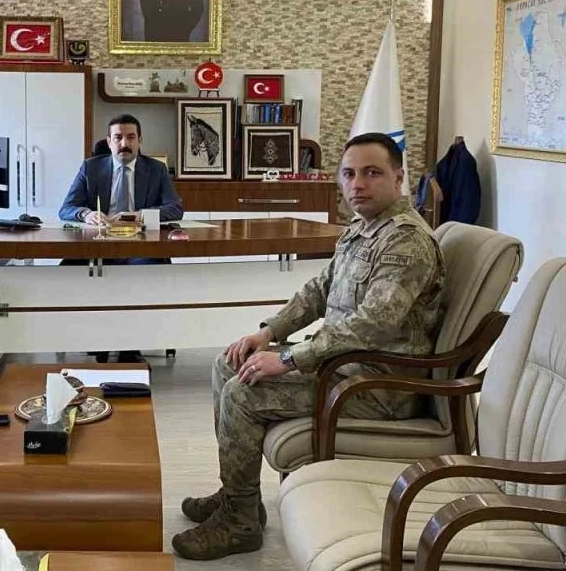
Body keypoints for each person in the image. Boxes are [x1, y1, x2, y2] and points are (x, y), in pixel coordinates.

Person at [170, 132, 446, 561]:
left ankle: (239, 524)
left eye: (372, 173)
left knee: (243, 392)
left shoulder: (405, 242)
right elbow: (318, 291)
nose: (357, 184)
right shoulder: (363, 229)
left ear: (398, 178)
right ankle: (238, 497)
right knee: (230, 362)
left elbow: (371, 326)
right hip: (342, 367)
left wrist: (287, 358)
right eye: (349, 173)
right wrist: (268, 333)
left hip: (377, 387)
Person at [59, 114, 184, 363]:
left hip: (141, 247)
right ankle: (101, 339)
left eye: (130, 137)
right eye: (118, 137)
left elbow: (175, 208)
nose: (124, 143)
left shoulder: (156, 169)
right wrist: (87, 214)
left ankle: (129, 349)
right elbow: (67, 208)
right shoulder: (91, 168)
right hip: (99, 246)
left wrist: (141, 215)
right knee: (71, 277)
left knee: (142, 279)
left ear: (140, 141)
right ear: (108, 142)